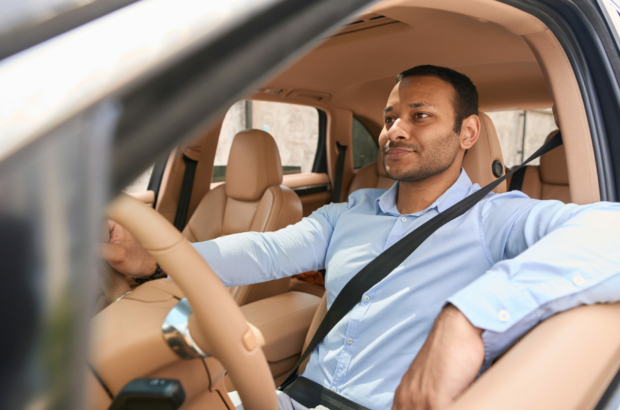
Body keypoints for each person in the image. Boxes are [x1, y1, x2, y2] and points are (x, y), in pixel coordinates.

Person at [101, 65, 620, 410]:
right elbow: (264, 250)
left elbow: (611, 230)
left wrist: (466, 318)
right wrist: (156, 255)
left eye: (420, 116)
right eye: (392, 116)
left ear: (467, 134)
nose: (395, 130)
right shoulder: (352, 211)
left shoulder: (498, 219)